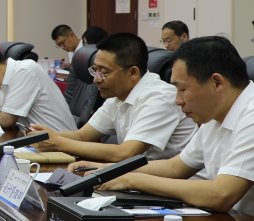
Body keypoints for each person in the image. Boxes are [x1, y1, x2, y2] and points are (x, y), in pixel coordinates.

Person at [98, 37, 254, 221]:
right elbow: (175, 167)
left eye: (182, 89)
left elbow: (220, 195)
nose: (177, 100)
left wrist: (132, 181)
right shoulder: (217, 114)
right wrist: (107, 171)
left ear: (217, 82)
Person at [31, 33, 194, 164]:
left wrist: (59, 143)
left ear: (133, 72)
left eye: (104, 72)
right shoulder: (116, 97)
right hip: (140, 177)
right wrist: (47, 136)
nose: (96, 79)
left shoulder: (160, 97)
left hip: (176, 184)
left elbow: (125, 153)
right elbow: (82, 136)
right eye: (95, 70)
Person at [0, 44, 76, 132]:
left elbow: (6, 121)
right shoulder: (5, 78)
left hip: (61, 147)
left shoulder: (25, 71)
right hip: (37, 142)